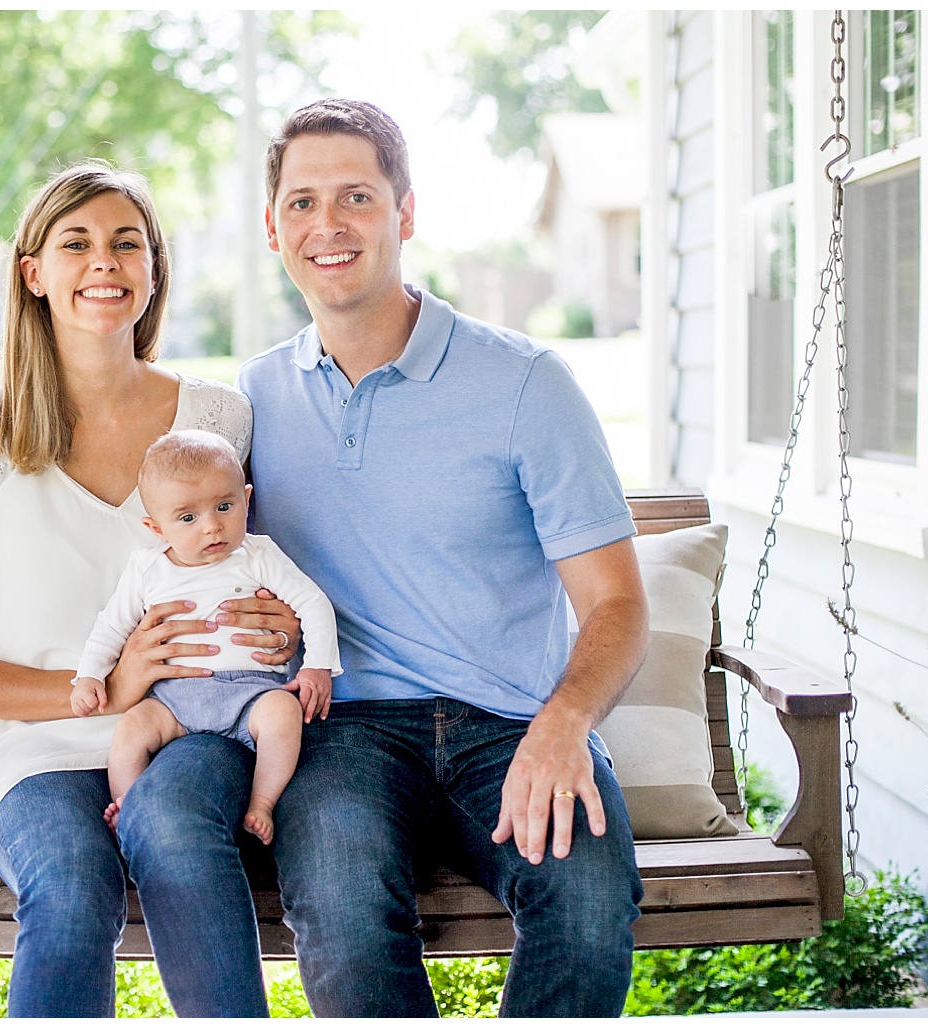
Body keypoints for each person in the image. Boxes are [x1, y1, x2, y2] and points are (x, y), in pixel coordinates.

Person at [236, 99, 650, 1016]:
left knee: (585, 905)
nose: (327, 225)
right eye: (301, 203)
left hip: (513, 721)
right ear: (273, 228)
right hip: (342, 731)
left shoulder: (525, 383)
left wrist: (566, 722)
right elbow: (208, 548)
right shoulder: (255, 397)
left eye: (356, 197)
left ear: (406, 212)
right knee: (341, 912)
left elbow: (617, 603)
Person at [0, 161, 297, 1018]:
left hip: (193, 728)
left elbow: (267, 568)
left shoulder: (219, 420)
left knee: (182, 843)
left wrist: (276, 628)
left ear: (153, 270)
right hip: (35, 751)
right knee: (73, 890)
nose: (104, 262)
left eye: (127, 243)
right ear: (33, 274)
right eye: (75, 244)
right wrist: (103, 691)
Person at [71, 429, 340, 844]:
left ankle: (262, 802)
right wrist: (89, 676)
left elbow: (313, 603)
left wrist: (317, 666)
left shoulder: (257, 554)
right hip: (174, 700)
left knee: (283, 716)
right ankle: (129, 802)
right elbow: (112, 625)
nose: (212, 527)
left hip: (250, 694)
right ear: (156, 528)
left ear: (247, 500)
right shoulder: (147, 568)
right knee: (131, 729)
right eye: (188, 518)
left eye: (225, 506)